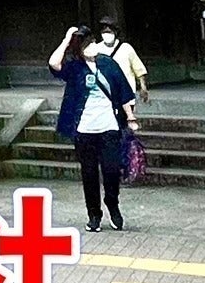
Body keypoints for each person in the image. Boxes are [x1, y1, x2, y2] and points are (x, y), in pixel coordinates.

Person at [49, 24, 139, 231]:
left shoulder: (108, 64)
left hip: (109, 127)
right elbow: (54, 63)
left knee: (111, 170)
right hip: (84, 130)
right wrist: (66, 39)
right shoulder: (75, 67)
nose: (91, 48)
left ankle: (112, 205)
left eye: (92, 43)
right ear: (79, 51)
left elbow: (123, 92)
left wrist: (130, 117)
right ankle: (94, 214)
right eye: (85, 46)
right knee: (89, 174)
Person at [98, 19, 149, 105]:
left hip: (126, 94)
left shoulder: (126, 48)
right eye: (104, 32)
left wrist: (143, 87)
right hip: (105, 96)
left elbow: (139, 69)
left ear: (115, 32)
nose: (107, 35)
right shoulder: (97, 49)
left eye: (109, 32)